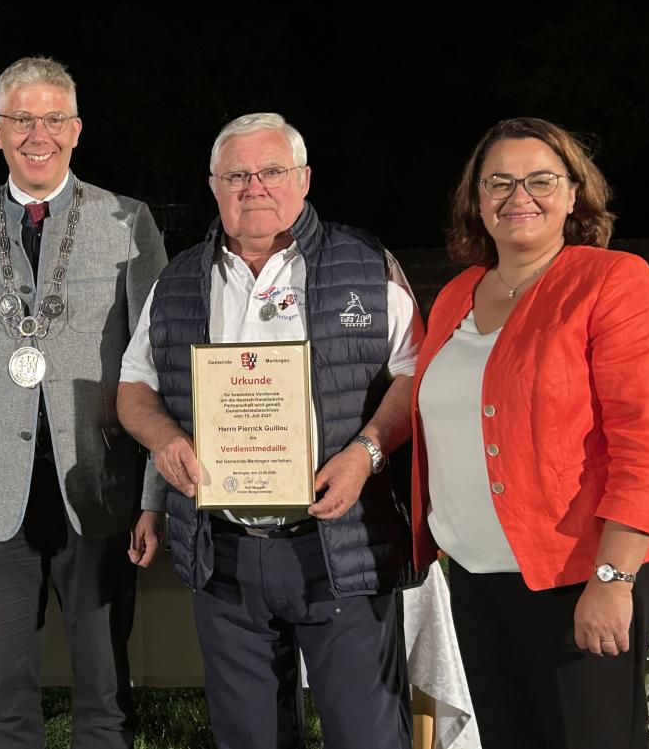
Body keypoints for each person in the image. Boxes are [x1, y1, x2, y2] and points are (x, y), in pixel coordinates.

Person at [118, 112, 422, 749]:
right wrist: (165, 441)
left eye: (271, 171)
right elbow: (134, 389)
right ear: (214, 186)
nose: (253, 185)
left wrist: (366, 453)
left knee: (364, 734)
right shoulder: (175, 282)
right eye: (236, 174)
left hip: (339, 543)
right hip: (224, 551)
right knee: (249, 738)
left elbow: (415, 376)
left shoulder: (366, 263)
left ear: (304, 179)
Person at [0, 56, 168, 749]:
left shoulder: (127, 223)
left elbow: (162, 371)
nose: (38, 133)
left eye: (54, 118)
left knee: (105, 695)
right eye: (22, 119)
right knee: (6, 700)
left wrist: (155, 497)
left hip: (102, 491)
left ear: (77, 129)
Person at [410, 116, 649, 748]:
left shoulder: (613, 282)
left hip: (578, 577)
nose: (518, 196)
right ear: (476, 200)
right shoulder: (455, 295)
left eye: (540, 179)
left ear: (574, 194)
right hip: (476, 579)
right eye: (498, 181)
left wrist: (612, 580)